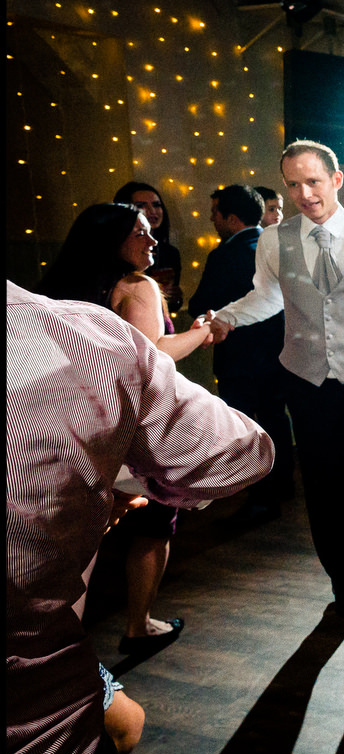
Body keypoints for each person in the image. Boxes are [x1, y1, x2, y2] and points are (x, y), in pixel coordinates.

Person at [7, 280, 273, 754]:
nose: (149, 234)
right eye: (138, 224)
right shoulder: (80, 334)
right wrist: (109, 472)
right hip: (41, 744)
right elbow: (242, 453)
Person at [208, 140, 344, 625]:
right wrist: (226, 318)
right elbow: (267, 298)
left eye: (313, 182)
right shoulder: (272, 240)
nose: (304, 194)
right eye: (293, 185)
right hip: (308, 385)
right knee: (325, 493)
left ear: (337, 179)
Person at [37, 203, 216, 655]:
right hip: (125, 424)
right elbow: (154, 356)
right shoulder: (137, 285)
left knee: (78, 532)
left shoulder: (55, 288)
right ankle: (139, 625)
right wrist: (203, 332)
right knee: (154, 525)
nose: (152, 239)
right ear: (112, 241)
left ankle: (56, 637)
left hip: (67, 423)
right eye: (140, 232)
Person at [188, 185, 296, 525]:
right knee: (276, 418)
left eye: (216, 213)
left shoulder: (224, 255)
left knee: (247, 427)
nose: (211, 219)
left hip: (241, 357)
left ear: (232, 220)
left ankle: (262, 497)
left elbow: (201, 303)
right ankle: (283, 483)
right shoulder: (279, 246)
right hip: (279, 350)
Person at [114, 181, 183, 311]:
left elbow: (173, 305)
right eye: (141, 205)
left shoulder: (170, 252)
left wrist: (175, 297)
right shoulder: (119, 252)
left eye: (157, 205)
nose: (152, 211)